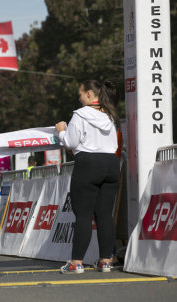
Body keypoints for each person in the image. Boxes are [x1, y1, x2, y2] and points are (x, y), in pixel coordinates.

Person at [55, 80, 120, 274]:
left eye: (81, 94)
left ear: (90, 94)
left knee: (83, 214)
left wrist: (61, 131)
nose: (80, 98)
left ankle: (76, 263)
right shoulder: (110, 115)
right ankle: (106, 261)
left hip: (88, 163)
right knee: (105, 215)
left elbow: (70, 142)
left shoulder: (80, 114)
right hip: (111, 163)